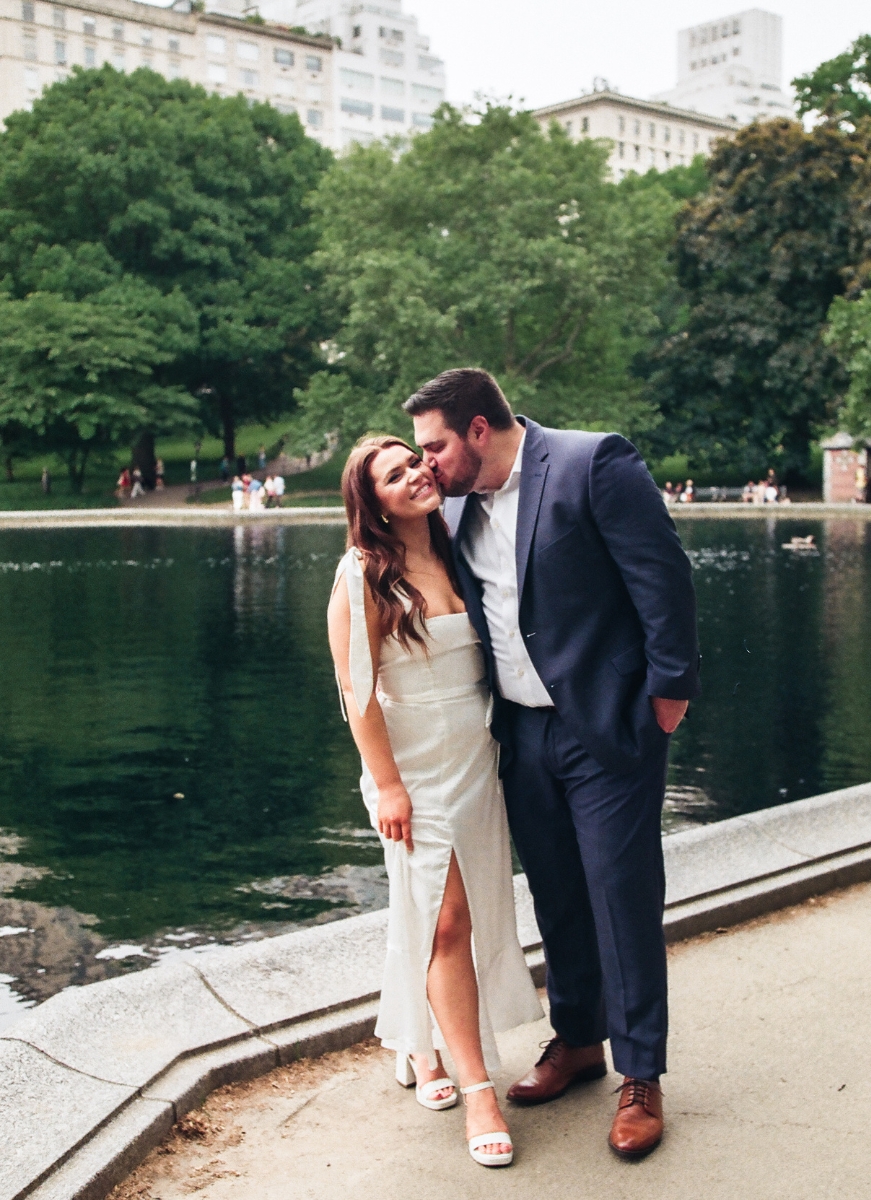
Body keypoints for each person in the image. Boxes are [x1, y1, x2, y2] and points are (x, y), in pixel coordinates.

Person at [406, 368, 700, 1161]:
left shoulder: (590, 463)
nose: (425, 462)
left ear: (476, 429)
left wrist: (668, 692)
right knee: (560, 893)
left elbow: (662, 577)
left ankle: (641, 1074)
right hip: (519, 735)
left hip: (607, 726)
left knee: (622, 894)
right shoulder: (457, 503)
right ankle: (576, 1039)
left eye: (433, 446)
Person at [328, 436, 543, 1169]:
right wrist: (387, 784)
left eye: (414, 461)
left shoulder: (462, 553)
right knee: (446, 919)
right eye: (394, 474)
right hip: (411, 769)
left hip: (476, 758)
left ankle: (419, 1045)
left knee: (445, 913)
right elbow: (357, 692)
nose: (415, 474)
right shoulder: (362, 575)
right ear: (375, 502)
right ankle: (477, 1083)